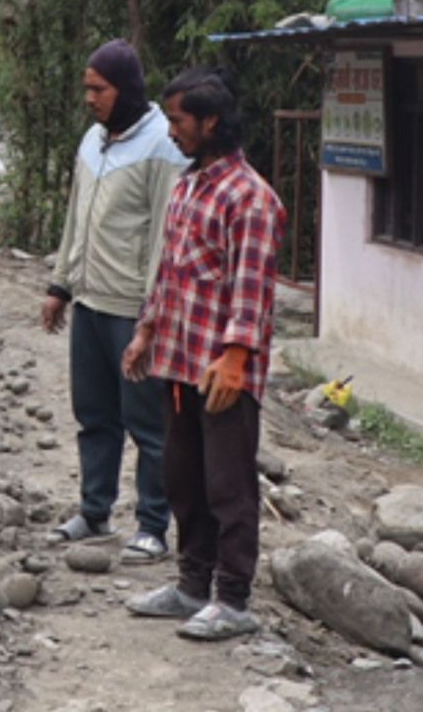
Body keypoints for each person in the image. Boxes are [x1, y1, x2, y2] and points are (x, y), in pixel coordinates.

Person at [121, 66, 282, 643]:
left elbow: (252, 289)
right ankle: (191, 586)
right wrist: (145, 332)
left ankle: (233, 600)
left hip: (223, 371)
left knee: (228, 486)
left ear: (211, 121)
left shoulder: (251, 197)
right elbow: (169, 273)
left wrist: (236, 358)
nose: (171, 131)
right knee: (183, 477)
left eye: (179, 120)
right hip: (180, 363)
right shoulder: (189, 186)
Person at [42, 40, 185, 562]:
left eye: (97, 89)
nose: (89, 98)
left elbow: (163, 240)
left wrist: (152, 317)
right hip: (90, 304)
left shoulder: (161, 147)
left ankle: (152, 523)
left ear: (124, 90)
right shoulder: (93, 142)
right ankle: (94, 511)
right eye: (86, 88)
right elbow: (75, 217)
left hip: (132, 309)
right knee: (94, 414)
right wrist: (60, 285)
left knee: (147, 422)